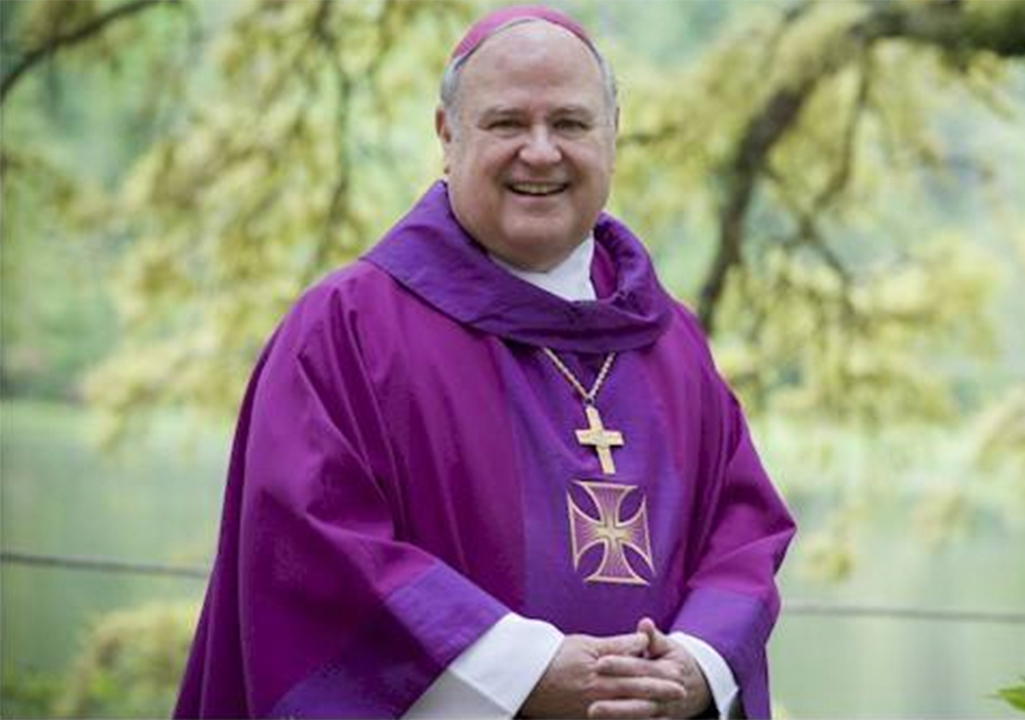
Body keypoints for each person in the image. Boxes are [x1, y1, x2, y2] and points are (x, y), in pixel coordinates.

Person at [173, 5, 794, 719]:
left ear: (612, 138)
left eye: (569, 123)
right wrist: (524, 669)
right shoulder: (347, 330)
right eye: (506, 124)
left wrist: (698, 664)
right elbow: (314, 551)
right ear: (447, 135)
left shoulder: (671, 343)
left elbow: (741, 532)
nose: (540, 152)